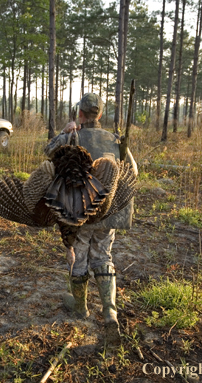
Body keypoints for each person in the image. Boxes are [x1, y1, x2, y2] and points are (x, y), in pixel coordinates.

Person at [44, 93, 137, 345]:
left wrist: (64, 131)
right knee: (103, 256)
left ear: (80, 114)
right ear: (99, 114)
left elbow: (47, 153)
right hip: (109, 211)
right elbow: (134, 171)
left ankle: (80, 308)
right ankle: (109, 312)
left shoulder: (70, 136)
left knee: (79, 257)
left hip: (79, 211)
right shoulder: (115, 140)